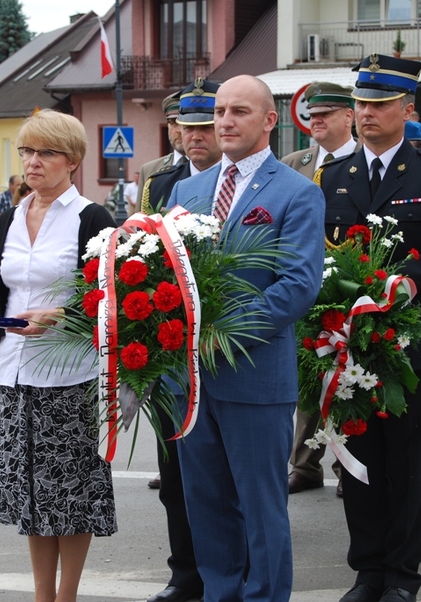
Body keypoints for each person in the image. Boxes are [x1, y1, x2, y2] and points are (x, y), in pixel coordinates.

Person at [319, 54, 421, 602]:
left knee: (409, 467)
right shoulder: (334, 177)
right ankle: (367, 572)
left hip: (412, 343)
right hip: (349, 345)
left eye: (379, 104)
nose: (366, 113)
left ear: (407, 109)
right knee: (359, 465)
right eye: (360, 103)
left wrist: (403, 278)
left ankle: (402, 576)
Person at [164, 74, 325, 601]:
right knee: (205, 505)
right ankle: (219, 593)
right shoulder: (186, 191)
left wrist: (223, 336)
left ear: (269, 121)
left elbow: (298, 284)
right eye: (220, 112)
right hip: (192, 383)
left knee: (261, 508)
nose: (226, 122)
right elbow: (165, 274)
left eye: (239, 111)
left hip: (254, 377)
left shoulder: (296, 192)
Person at [0, 109, 117, 602]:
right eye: (27, 152)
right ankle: (42, 596)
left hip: (70, 374)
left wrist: (58, 317)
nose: (33, 163)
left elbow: (105, 295)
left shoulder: (92, 218)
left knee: (70, 492)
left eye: (46, 153)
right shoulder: (10, 216)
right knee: (33, 496)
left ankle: (68, 595)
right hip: (14, 371)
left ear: (72, 160)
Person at [140, 78, 223, 602]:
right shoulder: (159, 183)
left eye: (203, 126)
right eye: (183, 126)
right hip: (172, 350)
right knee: (174, 474)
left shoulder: (241, 180)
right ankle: (184, 571)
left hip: (226, 345)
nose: (193, 136)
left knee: (226, 477)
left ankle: (225, 569)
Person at [281, 81, 358, 499]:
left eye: (327, 113)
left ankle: (348, 462)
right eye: (313, 113)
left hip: (350, 287)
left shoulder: (364, 161)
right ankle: (305, 464)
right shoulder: (295, 163)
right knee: (309, 378)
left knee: (347, 378)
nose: (317, 120)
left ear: (349, 116)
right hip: (303, 282)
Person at [282, 81, 359, 179]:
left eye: (325, 114)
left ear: (348, 116)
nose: (316, 121)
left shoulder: (369, 160)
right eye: (312, 115)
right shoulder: (291, 164)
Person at [138, 94, 186, 191]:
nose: (179, 130)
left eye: (186, 124)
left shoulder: (215, 169)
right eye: (173, 122)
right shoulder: (149, 171)